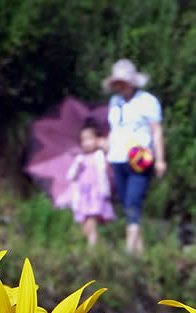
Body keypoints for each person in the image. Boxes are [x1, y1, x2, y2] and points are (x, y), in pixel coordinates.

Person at [104, 59, 166, 255]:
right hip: (118, 158)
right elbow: (114, 130)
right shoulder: (115, 102)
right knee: (125, 202)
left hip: (140, 158)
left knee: (133, 201)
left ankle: (129, 249)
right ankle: (140, 252)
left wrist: (160, 159)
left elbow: (156, 130)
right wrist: (106, 153)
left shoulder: (147, 101)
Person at [66, 119, 115, 246]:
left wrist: (106, 150)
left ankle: (92, 250)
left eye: (90, 139)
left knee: (91, 223)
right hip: (83, 194)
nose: (87, 143)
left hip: (95, 193)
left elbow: (107, 169)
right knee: (85, 226)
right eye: (84, 140)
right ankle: (97, 246)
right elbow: (70, 176)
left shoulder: (99, 156)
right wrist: (77, 166)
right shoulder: (80, 158)